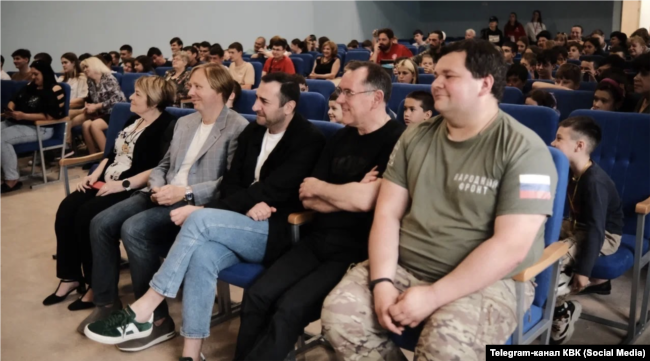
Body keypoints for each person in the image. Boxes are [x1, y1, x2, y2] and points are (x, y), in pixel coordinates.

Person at [322, 39, 558, 361]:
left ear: (484, 83)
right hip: (408, 264)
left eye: (450, 76)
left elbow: (511, 247)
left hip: (488, 281)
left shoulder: (526, 150)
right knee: (339, 316)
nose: (435, 83)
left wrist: (433, 296)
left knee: (445, 349)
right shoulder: (415, 135)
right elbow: (387, 214)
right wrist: (382, 283)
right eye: (437, 74)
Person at [84, 72, 326, 360]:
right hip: (240, 218)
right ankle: (191, 352)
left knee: (198, 219)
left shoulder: (309, 139)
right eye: (257, 98)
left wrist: (207, 207)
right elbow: (232, 182)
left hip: (276, 230)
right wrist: (249, 203)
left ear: (289, 107)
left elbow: (278, 189)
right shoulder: (254, 131)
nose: (256, 106)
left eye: (264, 101)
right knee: (202, 257)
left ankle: (145, 307)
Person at [232, 61, 404, 361]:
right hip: (316, 238)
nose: (338, 99)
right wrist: (351, 190)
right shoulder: (339, 137)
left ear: (376, 98)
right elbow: (308, 195)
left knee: (289, 308)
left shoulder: (398, 140)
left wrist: (337, 192)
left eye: (348, 92)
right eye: (339, 91)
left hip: (357, 251)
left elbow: (366, 202)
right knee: (258, 294)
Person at [78, 63, 249, 342]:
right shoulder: (185, 122)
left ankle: (157, 319)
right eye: (190, 85)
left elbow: (228, 183)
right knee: (101, 222)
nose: (189, 91)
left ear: (218, 90)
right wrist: (157, 184)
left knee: (133, 229)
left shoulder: (237, 127)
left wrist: (185, 193)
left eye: (197, 87)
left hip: (193, 203)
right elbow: (163, 164)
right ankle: (107, 303)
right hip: (161, 193)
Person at [45, 76, 177, 310]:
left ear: (154, 100)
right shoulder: (133, 119)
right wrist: (95, 173)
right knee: (67, 208)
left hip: (132, 187)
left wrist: (121, 184)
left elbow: (160, 168)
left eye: (137, 94)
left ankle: (95, 284)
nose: (130, 97)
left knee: (86, 215)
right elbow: (113, 153)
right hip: (107, 180)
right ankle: (69, 276)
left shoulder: (166, 126)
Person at [549, 116, 623, 344]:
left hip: (605, 235)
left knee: (555, 262)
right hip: (577, 225)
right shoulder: (572, 171)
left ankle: (562, 308)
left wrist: (584, 270)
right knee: (535, 235)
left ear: (579, 145)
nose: (552, 143)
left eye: (559, 138)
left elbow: (596, 230)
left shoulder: (594, 182)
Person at [1, 61, 66, 193]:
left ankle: (12, 179)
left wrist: (24, 116)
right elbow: (14, 99)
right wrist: (10, 110)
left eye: (36, 74)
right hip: (17, 121)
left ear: (45, 74)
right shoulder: (30, 86)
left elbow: (52, 116)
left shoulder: (55, 89)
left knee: (2, 139)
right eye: (32, 74)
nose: (33, 77)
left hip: (40, 128)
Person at [75, 57, 126, 154]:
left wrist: (97, 106)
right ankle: (93, 156)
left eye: (86, 67)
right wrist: (89, 106)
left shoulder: (108, 78)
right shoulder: (90, 81)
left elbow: (118, 99)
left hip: (115, 111)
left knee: (95, 125)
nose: (84, 70)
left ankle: (106, 158)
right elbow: (93, 98)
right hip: (102, 113)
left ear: (95, 66)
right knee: (86, 125)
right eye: (83, 68)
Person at [59, 53, 88, 126]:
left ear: (73, 63)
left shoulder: (82, 78)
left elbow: (82, 99)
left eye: (65, 62)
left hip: (77, 108)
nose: (63, 65)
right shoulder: (61, 79)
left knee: (65, 115)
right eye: (62, 63)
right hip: (63, 107)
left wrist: (64, 104)